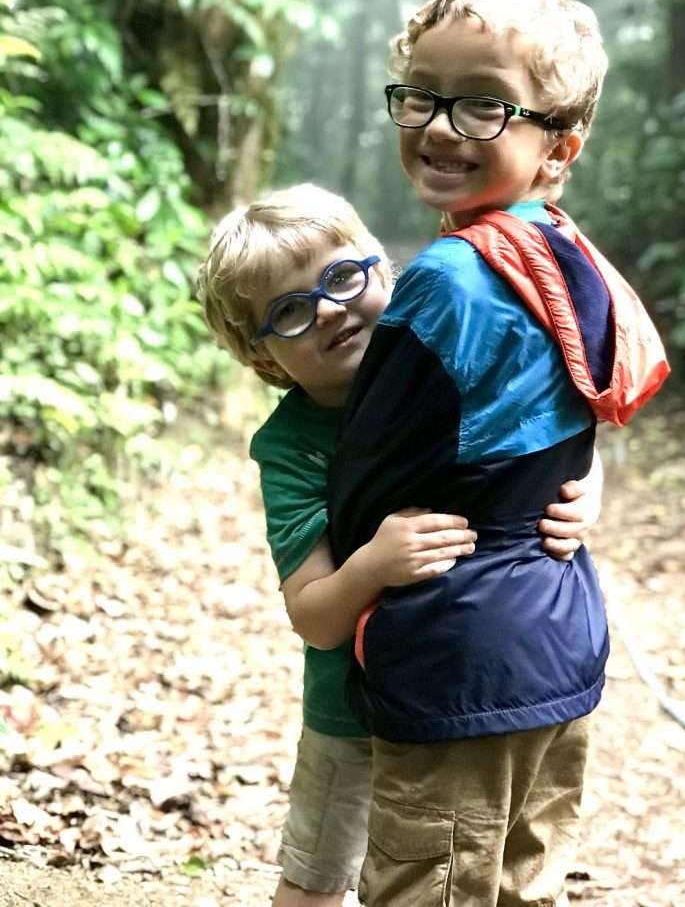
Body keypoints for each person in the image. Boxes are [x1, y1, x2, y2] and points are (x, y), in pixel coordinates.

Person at [325, 0, 670, 906]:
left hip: (456, 648)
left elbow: (369, 472)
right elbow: (576, 424)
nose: (440, 126)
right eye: (423, 96)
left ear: (560, 146)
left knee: (426, 887)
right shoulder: (570, 255)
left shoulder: (447, 279)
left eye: (484, 105)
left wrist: (342, 579)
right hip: (560, 634)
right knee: (523, 883)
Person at [196, 182, 605, 907]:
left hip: (467, 693)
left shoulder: (452, 366)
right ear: (264, 360)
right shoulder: (291, 447)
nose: (327, 308)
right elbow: (315, 615)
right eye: (288, 312)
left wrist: (587, 489)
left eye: (342, 277)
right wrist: (374, 565)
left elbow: (548, 431)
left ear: (384, 272)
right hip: (349, 714)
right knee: (318, 881)